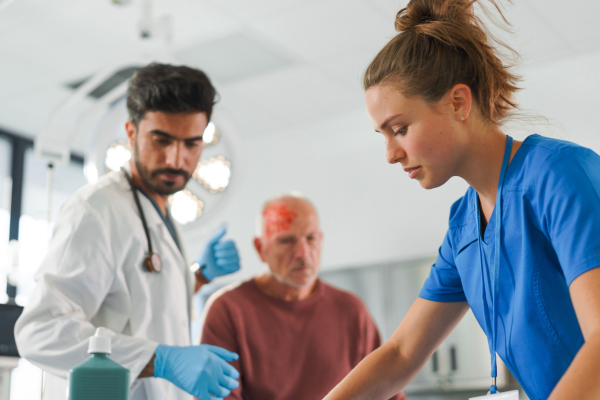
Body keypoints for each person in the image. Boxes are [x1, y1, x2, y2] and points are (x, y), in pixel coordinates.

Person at [323, 1, 600, 400]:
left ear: (458, 102)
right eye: (383, 135)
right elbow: (402, 354)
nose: (391, 154)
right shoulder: (464, 227)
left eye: (399, 129)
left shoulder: (559, 175)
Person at [15, 63, 242, 400]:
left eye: (191, 144)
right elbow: (40, 331)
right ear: (132, 132)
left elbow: (137, 305)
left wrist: (197, 277)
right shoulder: (95, 211)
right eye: (161, 140)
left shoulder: (159, 210)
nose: (175, 159)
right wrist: (159, 360)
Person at [199, 194, 406, 400]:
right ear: (261, 248)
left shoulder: (350, 310)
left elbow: (386, 389)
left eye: (310, 238)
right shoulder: (228, 310)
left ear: (320, 240)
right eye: (286, 240)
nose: (303, 253)